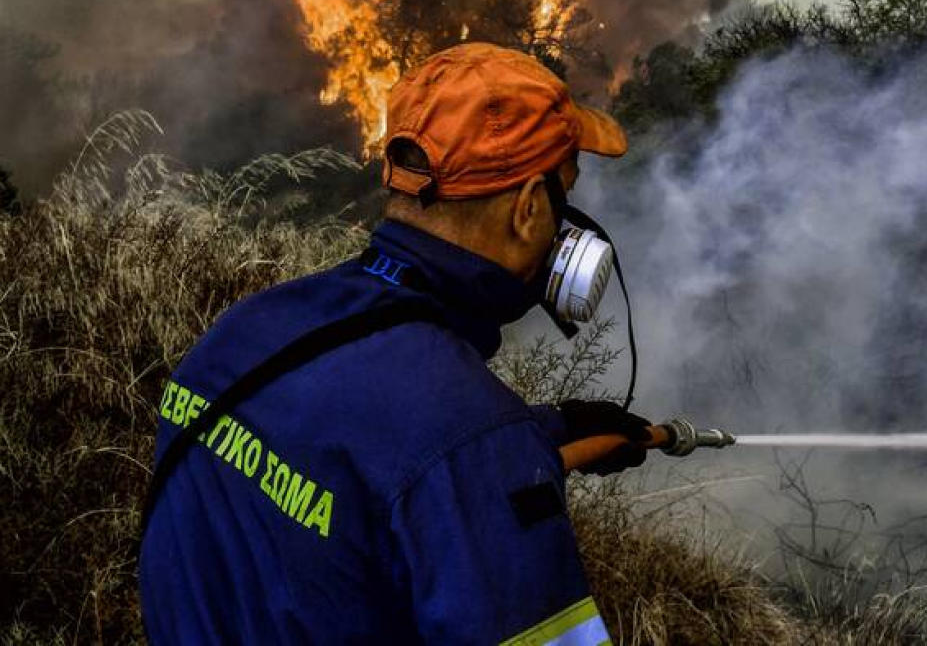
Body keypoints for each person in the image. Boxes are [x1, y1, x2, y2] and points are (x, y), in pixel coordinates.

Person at [139, 42, 653, 644]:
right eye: (565, 196)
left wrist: (542, 432)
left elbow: (349, 446)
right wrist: (502, 458)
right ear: (528, 208)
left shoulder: (245, 331)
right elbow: (433, 453)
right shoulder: (472, 446)